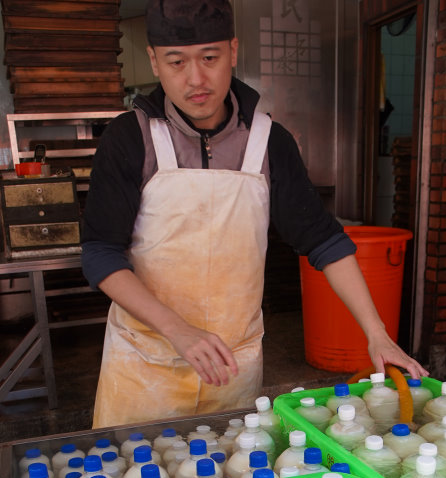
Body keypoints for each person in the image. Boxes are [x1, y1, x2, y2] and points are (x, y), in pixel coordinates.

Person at [81, 0, 427, 429]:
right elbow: (100, 253)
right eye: (176, 62)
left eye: (210, 58)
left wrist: (377, 334)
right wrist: (177, 329)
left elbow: (323, 241)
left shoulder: (269, 142)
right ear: (154, 60)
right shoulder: (130, 139)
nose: (196, 79)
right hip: (145, 365)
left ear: (234, 50)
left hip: (233, 365)